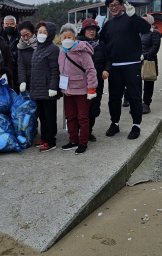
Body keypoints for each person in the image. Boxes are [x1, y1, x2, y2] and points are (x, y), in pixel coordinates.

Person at [100, 0, 151, 140]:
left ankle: (136, 125)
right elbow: (101, 42)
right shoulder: (108, 24)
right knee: (114, 97)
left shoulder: (131, 19)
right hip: (114, 66)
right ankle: (114, 123)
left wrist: (134, 16)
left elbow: (146, 28)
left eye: (117, 4)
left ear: (122, 5)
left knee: (135, 97)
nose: (114, 8)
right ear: (108, 8)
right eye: (111, 6)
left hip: (132, 64)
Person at [58, 23, 98, 154]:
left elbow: (91, 70)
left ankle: (83, 142)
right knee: (70, 116)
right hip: (68, 91)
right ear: (60, 39)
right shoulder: (61, 52)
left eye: (69, 36)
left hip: (81, 91)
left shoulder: (83, 52)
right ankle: (73, 140)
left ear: (75, 38)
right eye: (64, 37)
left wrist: (92, 88)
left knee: (82, 117)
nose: (67, 39)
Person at [30, 21, 60, 152]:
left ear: (50, 34)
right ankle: (44, 137)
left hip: (48, 89)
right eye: (39, 32)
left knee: (49, 116)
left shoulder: (53, 49)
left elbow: (55, 70)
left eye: (44, 32)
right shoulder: (37, 48)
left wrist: (53, 87)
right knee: (42, 115)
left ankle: (51, 140)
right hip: (38, 88)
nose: (41, 34)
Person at [77, 18, 107, 141]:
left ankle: (88, 131)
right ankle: (79, 131)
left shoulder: (101, 44)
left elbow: (107, 59)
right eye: (89, 29)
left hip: (97, 81)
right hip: (80, 82)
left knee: (93, 107)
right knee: (80, 107)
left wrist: (107, 69)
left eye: (93, 29)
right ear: (84, 31)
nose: (91, 32)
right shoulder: (77, 45)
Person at [140, 14, 161, 114]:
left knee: (148, 83)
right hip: (138, 61)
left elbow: (155, 47)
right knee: (137, 83)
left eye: (145, 20)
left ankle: (146, 104)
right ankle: (137, 103)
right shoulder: (139, 33)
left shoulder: (154, 33)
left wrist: (144, 55)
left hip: (149, 61)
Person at [0, 15, 20, 92]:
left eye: (11, 24)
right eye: (7, 24)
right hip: (3, 71)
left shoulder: (20, 38)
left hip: (17, 71)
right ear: (3, 25)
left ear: (16, 25)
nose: (9, 26)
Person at [17, 20, 37, 92]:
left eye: (27, 35)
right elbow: (21, 65)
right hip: (28, 81)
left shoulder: (40, 44)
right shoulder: (21, 47)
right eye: (23, 36)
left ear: (33, 32)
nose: (25, 38)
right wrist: (22, 81)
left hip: (40, 80)